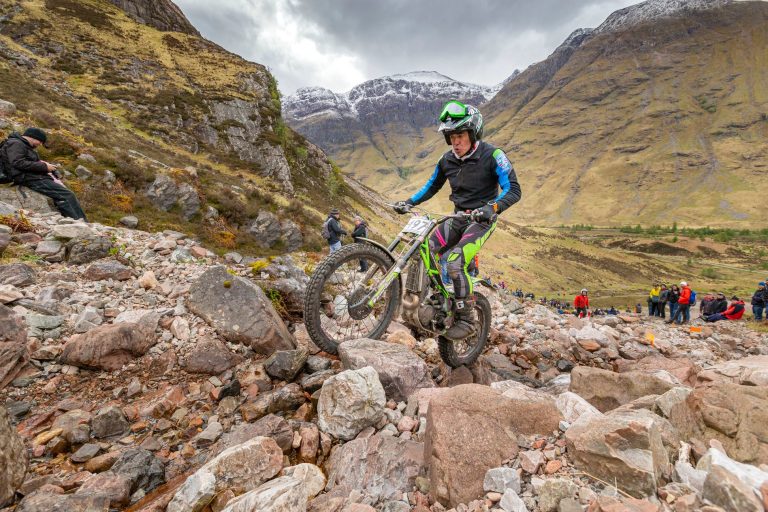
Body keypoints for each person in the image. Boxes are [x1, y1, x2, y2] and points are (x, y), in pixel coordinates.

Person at [392, 100, 521, 339]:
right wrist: (409, 202)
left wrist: (492, 207)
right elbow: (431, 186)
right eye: (451, 136)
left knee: (454, 260)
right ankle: (427, 305)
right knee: (424, 251)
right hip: (458, 217)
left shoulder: (493, 155)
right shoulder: (446, 160)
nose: (455, 141)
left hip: (481, 220)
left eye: (460, 135)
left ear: (473, 133)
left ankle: (467, 319)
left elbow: (513, 189)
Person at [1, 128, 87, 220]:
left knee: (66, 194)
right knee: (66, 195)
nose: (40, 144)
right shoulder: (16, 143)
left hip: (32, 176)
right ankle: (78, 222)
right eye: (40, 141)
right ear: (33, 137)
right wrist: (44, 167)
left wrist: (46, 166)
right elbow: (18, 163)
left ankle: (76, 221)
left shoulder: (21, 144)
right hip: (28, 177)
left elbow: (24, 162)